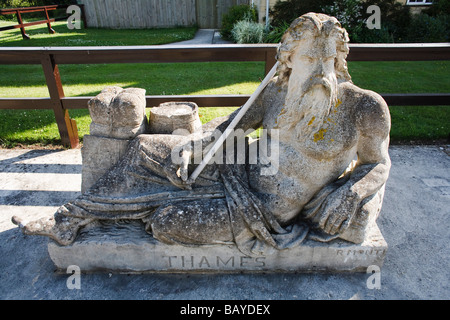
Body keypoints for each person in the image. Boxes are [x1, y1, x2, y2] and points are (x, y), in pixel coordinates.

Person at [13, 13, 391, 255]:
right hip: (240, 163)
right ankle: (68, 219)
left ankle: (135, 209)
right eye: (311, 59)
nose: (322, 72)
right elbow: (236, 124)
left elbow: (378, 162)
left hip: (266, 206)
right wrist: (200, 142)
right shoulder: (278, 88)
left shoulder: (364, 107)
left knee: (166, 223)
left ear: (340, 59)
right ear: (289, 59)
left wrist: (355, 191)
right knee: (148, 147)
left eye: (329, 60)